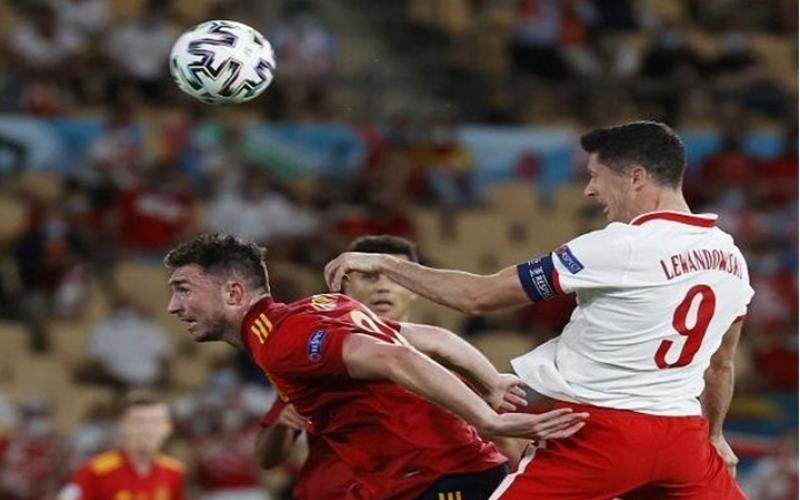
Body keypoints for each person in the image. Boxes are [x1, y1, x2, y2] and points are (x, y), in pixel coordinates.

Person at [325, 121, 754, 499]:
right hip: (683, 438)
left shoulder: (618, 245)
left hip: (599, 434)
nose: (589, 190)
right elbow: (721, 364)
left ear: (636, 177)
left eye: (595, 176)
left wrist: (388, 264)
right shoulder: (730, 256)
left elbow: (478, 296)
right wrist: (716, 434)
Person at [164, 234, 587, 500]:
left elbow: (395, 356)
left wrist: (488, 418)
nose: (173, 306)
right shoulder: (320, 306)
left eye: (183, 289)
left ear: (234, 293)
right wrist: (490, 382)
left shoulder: (283, 343)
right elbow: (431, 338)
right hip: (418, 479)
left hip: (438, 479)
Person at [255, 235, 528, 498]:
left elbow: (503, 437)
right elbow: (267, 459)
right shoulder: (316, 358)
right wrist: (281, 425)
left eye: (395, 277)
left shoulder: (448, 364)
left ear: (414, 288)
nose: (382, 288)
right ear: (343, 284)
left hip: (426, 489)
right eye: (369, 276)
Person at [57, 390, 184, 500]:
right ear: (122, 424)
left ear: (168, 427)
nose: (148, 430)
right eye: (139, 421)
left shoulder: (174, 472)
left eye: (156, 422)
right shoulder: (95, 472)